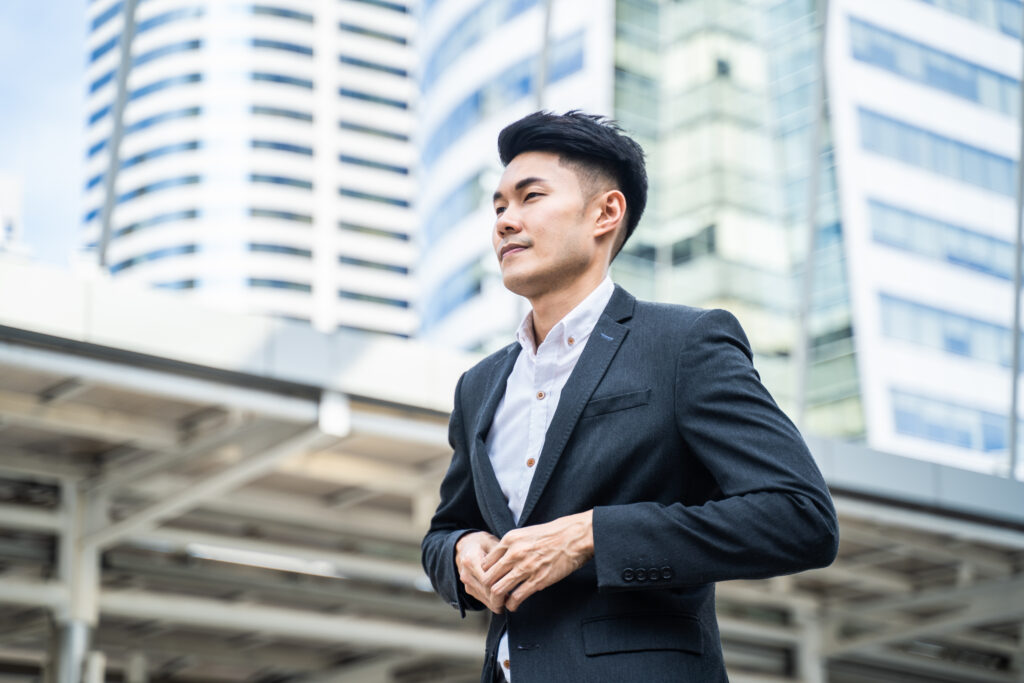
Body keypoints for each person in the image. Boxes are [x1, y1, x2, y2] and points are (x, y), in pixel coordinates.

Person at [421, 110, 838, 683]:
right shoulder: (481, 384)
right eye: (498, 207)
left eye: (529, 197)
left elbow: (800, 517)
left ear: (605, 213)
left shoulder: (683, 344)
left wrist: (591, 535)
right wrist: (462, 551)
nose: (504, 222)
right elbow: (445, 529)